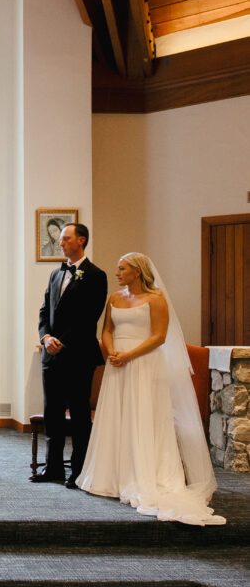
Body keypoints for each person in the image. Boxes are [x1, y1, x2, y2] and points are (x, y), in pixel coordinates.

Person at [77, 252, 225, 526]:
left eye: (122, 269)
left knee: (141, 415)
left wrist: (129, 355)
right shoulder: (114, 298)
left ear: (137, 271)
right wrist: (112, 352)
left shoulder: (156, 299)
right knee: (116, 416)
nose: (118, 273)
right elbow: (107, 329)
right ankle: (111, 476)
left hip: (143, 363)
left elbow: (159, 336)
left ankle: (144, 475)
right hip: (117, 363)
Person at [33, 223, 108, 487]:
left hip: (78, 356)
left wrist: (62, 342)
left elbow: (90, 318)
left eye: (66, 238)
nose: (61, 243)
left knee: (78, 416)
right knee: (52, 414)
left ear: (81, 241)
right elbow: (44, 312)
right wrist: (46, 338)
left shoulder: (96, 275)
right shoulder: (55, 274)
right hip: (51, 357)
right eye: (61, 239)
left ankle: (79, 471)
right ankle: (52, 468)